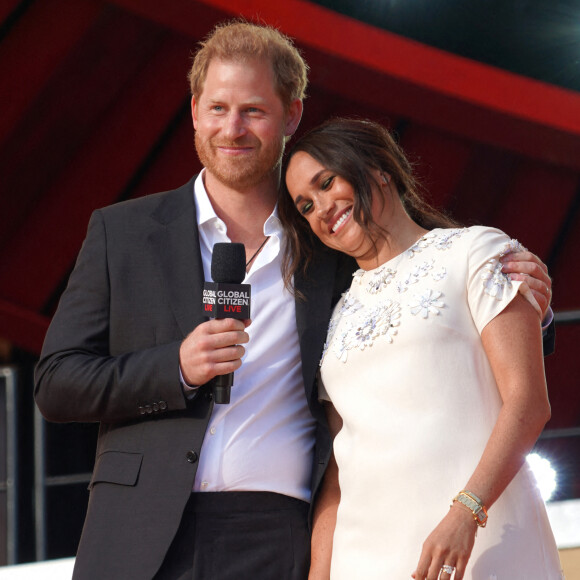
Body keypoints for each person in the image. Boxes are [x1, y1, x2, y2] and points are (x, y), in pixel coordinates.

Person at [34, 20, 555, 580]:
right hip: (140, 530)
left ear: (293, 115)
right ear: (193, 111)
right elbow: (57, 383)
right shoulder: (123, 233)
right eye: (218, 108)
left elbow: (427, 292)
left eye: (253, 110)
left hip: (279, 535)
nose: (232, 128)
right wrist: (176, 368)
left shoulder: (331, 238)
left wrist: (531, 303)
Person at [280, 117, 563, 580]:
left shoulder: (476, 252)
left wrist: (466, 513)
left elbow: (528, 403)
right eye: (306, 206)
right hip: (364, 558)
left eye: (327, 183)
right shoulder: (335, 316)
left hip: (474, 541)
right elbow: (338, 469)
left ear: (378, 169)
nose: (322, 209)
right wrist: (320, 572)